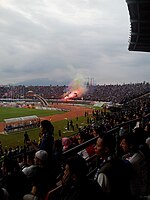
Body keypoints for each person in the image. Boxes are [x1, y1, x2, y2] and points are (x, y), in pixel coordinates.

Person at [94, 132, 132, 200]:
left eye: (98, 145)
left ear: (106, 149)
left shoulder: (104, 172)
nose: (95, 147)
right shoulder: (120, 161)